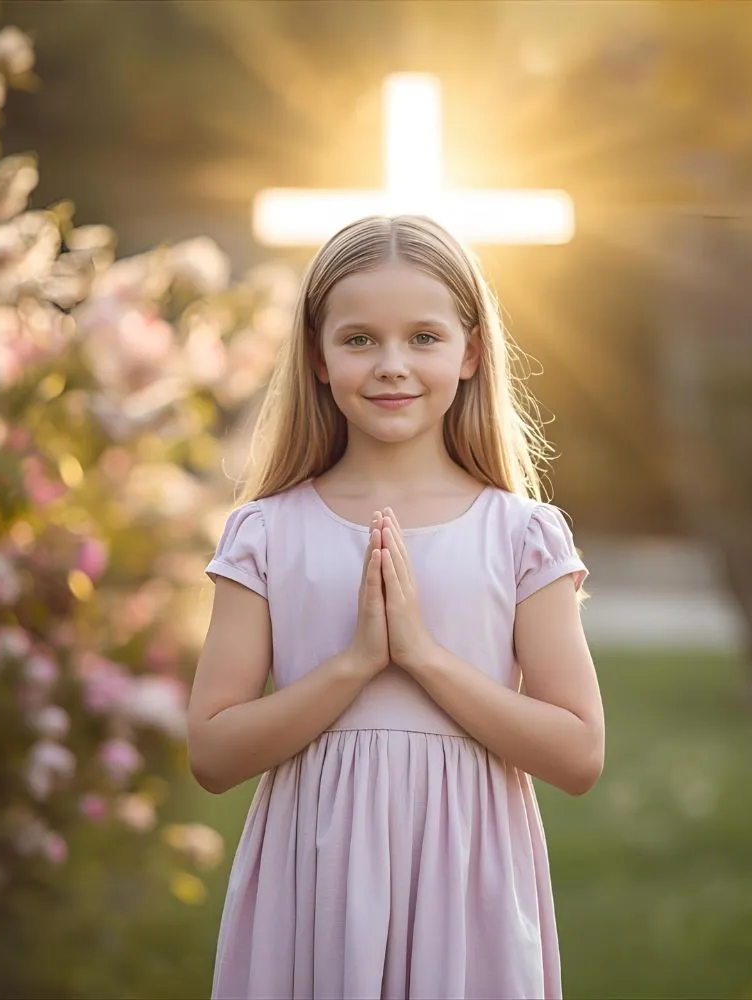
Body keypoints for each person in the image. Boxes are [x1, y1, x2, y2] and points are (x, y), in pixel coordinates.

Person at [187, 214, 605, 1000]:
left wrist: (423, 656)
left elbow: (579, 753)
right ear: (317, 356)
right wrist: (354, 665)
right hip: (314, 884)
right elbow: (212, 753)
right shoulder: (267, 531)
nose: (391, 365)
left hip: (467, 888)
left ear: (470, 352)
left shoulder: (520, 533)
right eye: (359, 340)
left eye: (423, 337)